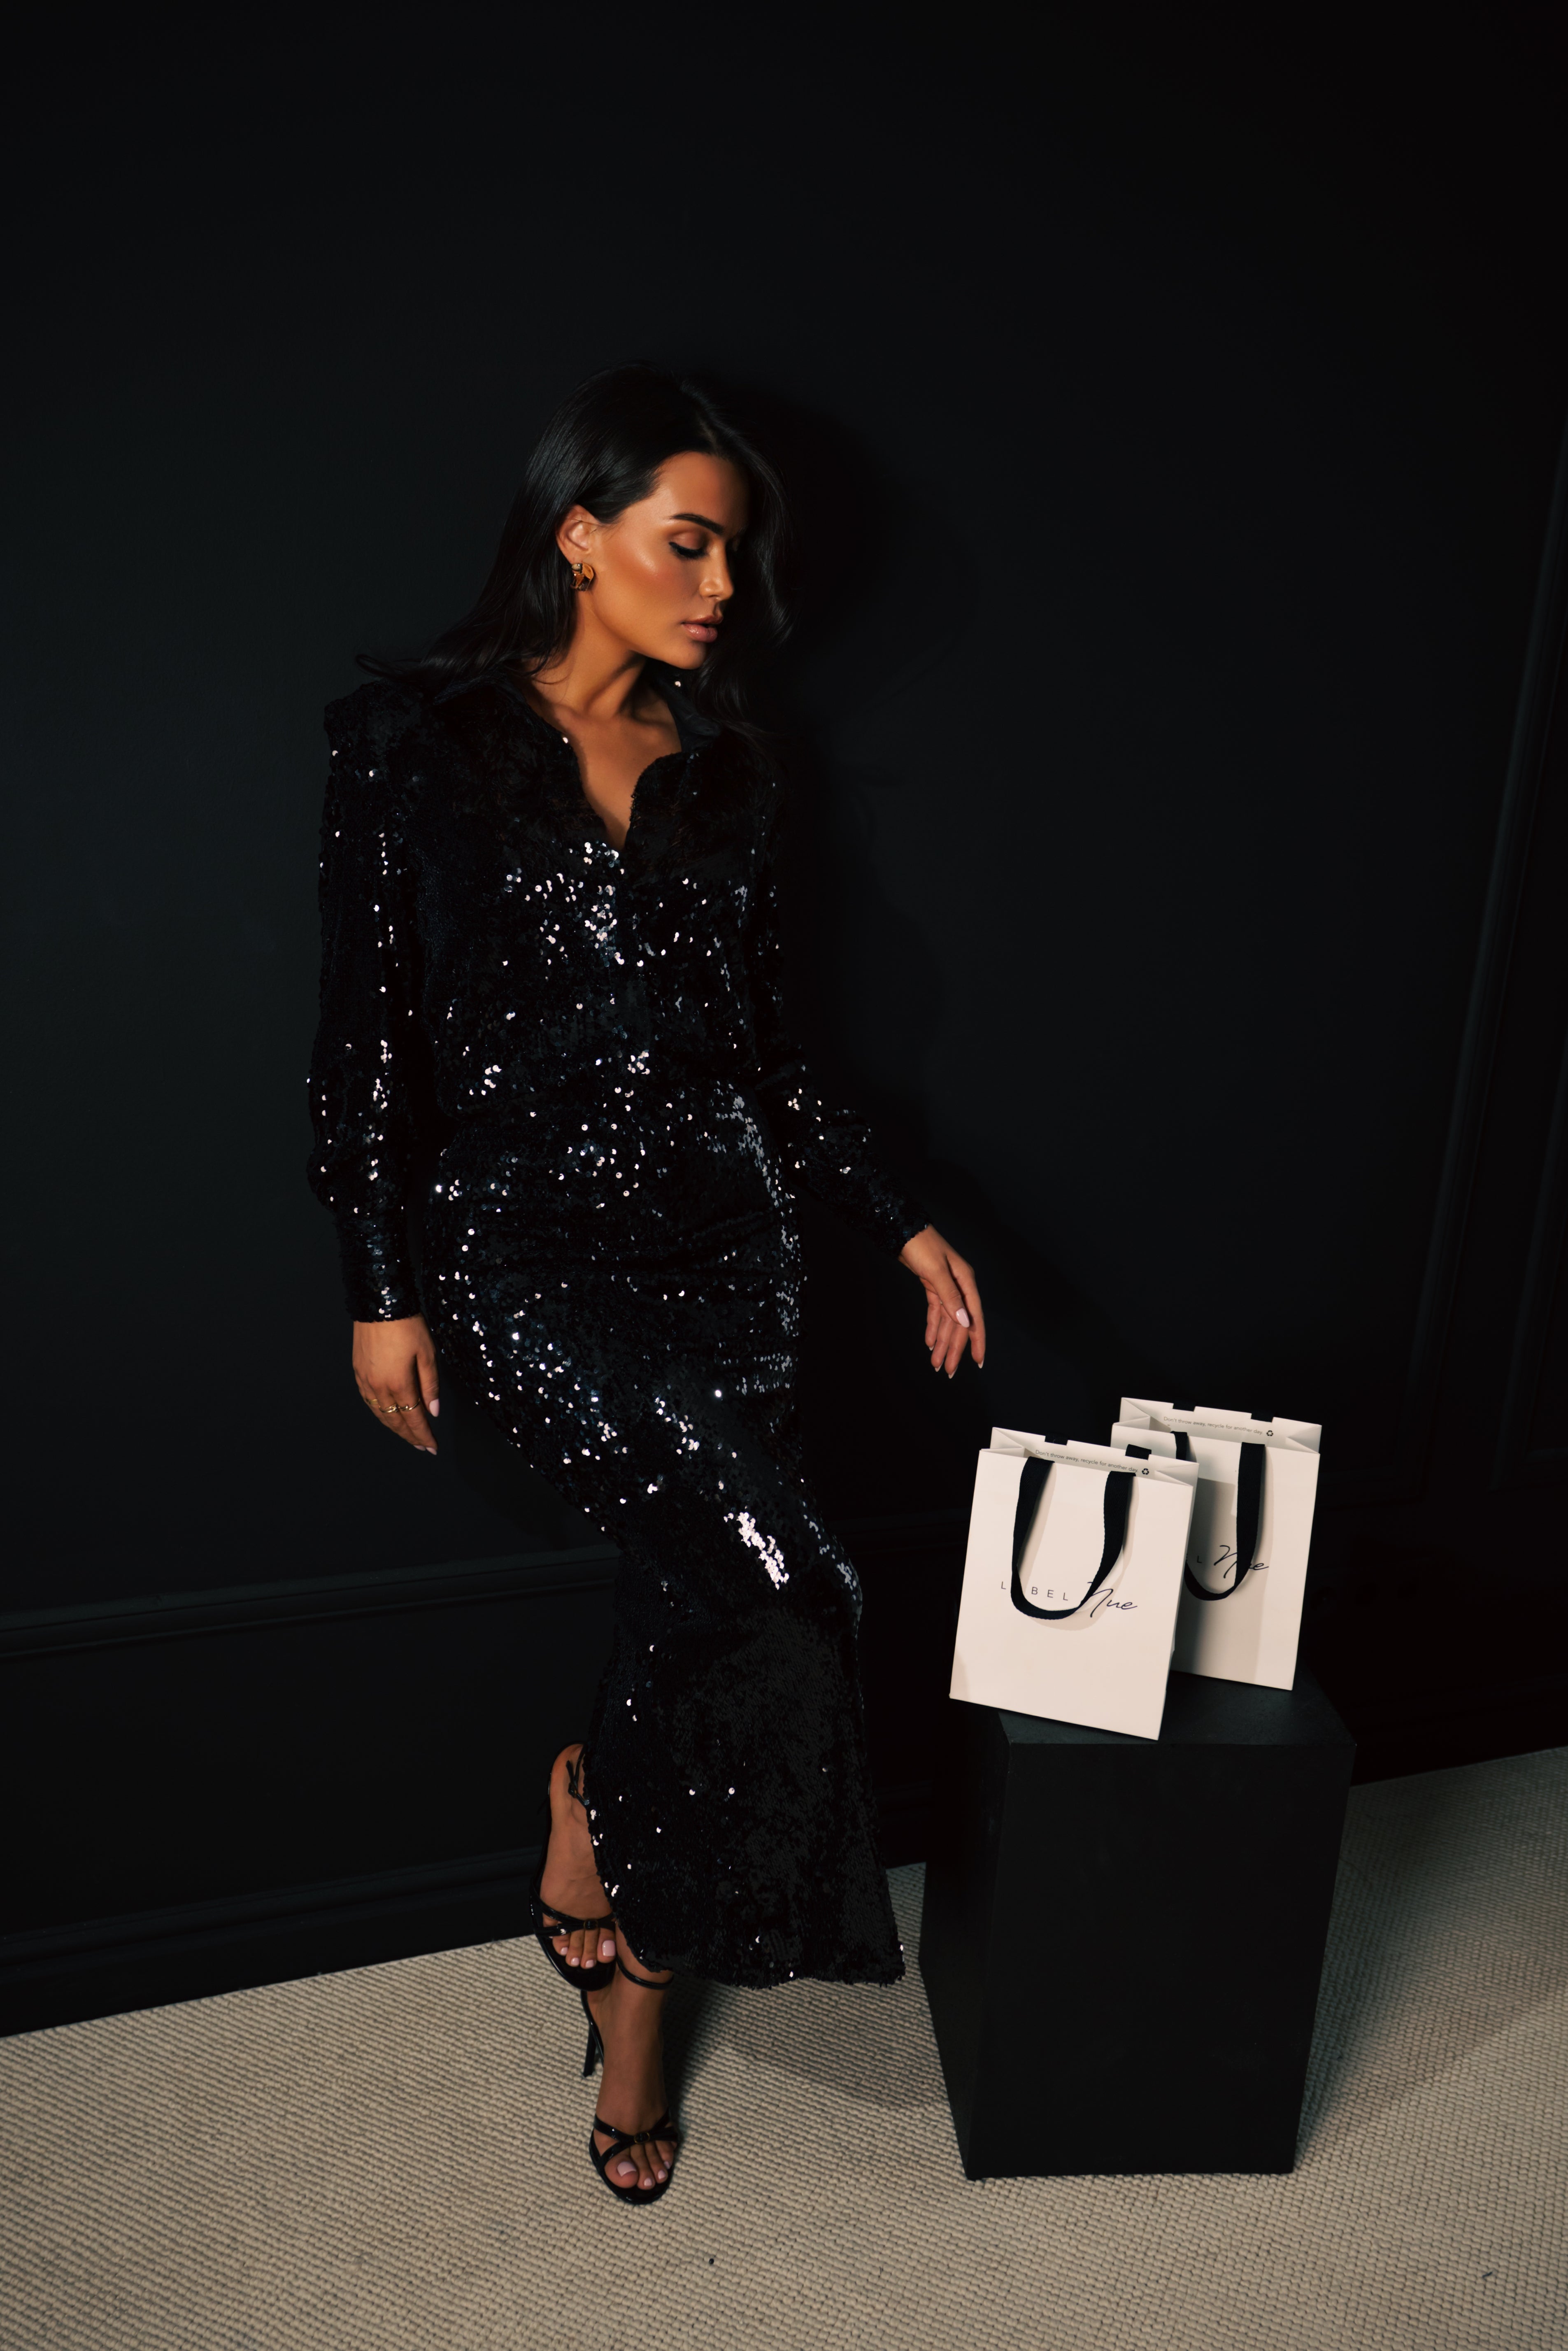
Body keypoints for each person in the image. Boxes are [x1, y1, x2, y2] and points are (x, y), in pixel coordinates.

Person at [308, 365, 985, 2203]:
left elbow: (776, 1056)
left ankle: (625, 2004)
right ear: (578, 534)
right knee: (787, 1581)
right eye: (685, 545)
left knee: (685, 1625)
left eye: (733, 559)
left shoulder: (733, 773)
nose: (717, 590)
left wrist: (891, 1217)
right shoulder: (409, 749)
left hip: (730, 1251)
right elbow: (366, 1051)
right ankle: (599, 1815)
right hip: (523, 1260)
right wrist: (382, 1280)